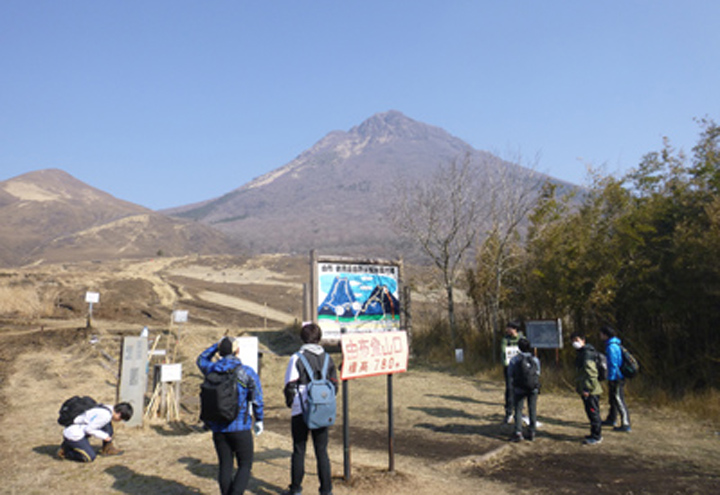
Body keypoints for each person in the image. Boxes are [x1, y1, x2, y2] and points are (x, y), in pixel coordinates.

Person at [197, 336, 264, 495]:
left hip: (218, 426)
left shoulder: (211, 369)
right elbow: (257, 399)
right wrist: (259, 419)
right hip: (241, 426)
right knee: (245, 465)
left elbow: (201, 358)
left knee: (225, 465)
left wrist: (216, 346)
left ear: (220, 352)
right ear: (237, 351)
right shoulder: (246, 372)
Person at [282, 323, 338, 495]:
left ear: (302, 338)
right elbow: (335, 385)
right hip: (322, 409)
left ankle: (296, 489)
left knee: (299, 450)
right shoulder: (328, 358)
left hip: (301, 410)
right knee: (322, 451)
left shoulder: (297, 358)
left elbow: (289, 385)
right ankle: (326, 490)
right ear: (319, 338)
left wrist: (291, 403)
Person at [57, 402, 133, 462]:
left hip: (79, 427)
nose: (119, 421)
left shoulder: (107, 408)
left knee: (108, 428)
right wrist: (104, 436)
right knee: (90, 457)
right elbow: (88, 429)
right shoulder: (105, 416)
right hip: (74, 433)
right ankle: (66, 451)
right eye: (121, 419)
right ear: (119, 414)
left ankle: (107, 449)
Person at [571, 332, 603, 445]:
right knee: (590, 412)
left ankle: (597, 436)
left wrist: (586, 389)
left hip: (591, 389)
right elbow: (581, 373)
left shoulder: (587, 354)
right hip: (587, 388)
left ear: (583, 340)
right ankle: (593, 433)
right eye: (573, 340)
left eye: (577, 339)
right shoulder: (582, 353)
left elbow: (591, 373)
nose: (575, 342)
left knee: (593, 412)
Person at [507, 337, 540, 442]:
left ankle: (518, 432)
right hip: (533, 388)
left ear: (519, 348)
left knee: (518, 409)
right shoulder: (535, 359)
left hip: (519, 388)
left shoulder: (515, 359)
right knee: (532, 408)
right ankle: (532, 431)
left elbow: (510, 374)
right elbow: (538, 373)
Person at [600, 326, 631, 432]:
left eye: (601, 334)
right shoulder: (613, 344)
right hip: (615, 376)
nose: (600, 336)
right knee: (612, 399)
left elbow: (613, 364)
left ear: (605, 335)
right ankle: (611, 418)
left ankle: (626, 424)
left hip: (617, 377)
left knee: (619, 399)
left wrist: (611, 378)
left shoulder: (611, 347)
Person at [500, 321, 523, 423]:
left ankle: (519, 412)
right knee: (509, 389)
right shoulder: (505, 339)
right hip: (509, 367)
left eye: (509, 328)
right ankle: (509, 412)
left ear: (515, 329)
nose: (507, 330)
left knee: (521, 390)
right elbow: (503, 351)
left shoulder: (522, 339)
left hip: (521, 368)